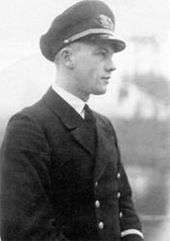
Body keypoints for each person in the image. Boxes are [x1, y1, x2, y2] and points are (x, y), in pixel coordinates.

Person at [0, 1, 144, 241]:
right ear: (68, 58)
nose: (112, 65)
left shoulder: (104, 127)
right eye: (101, 54)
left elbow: (124, 208)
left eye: (111, 55)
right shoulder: (29, 127)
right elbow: (25, 230)